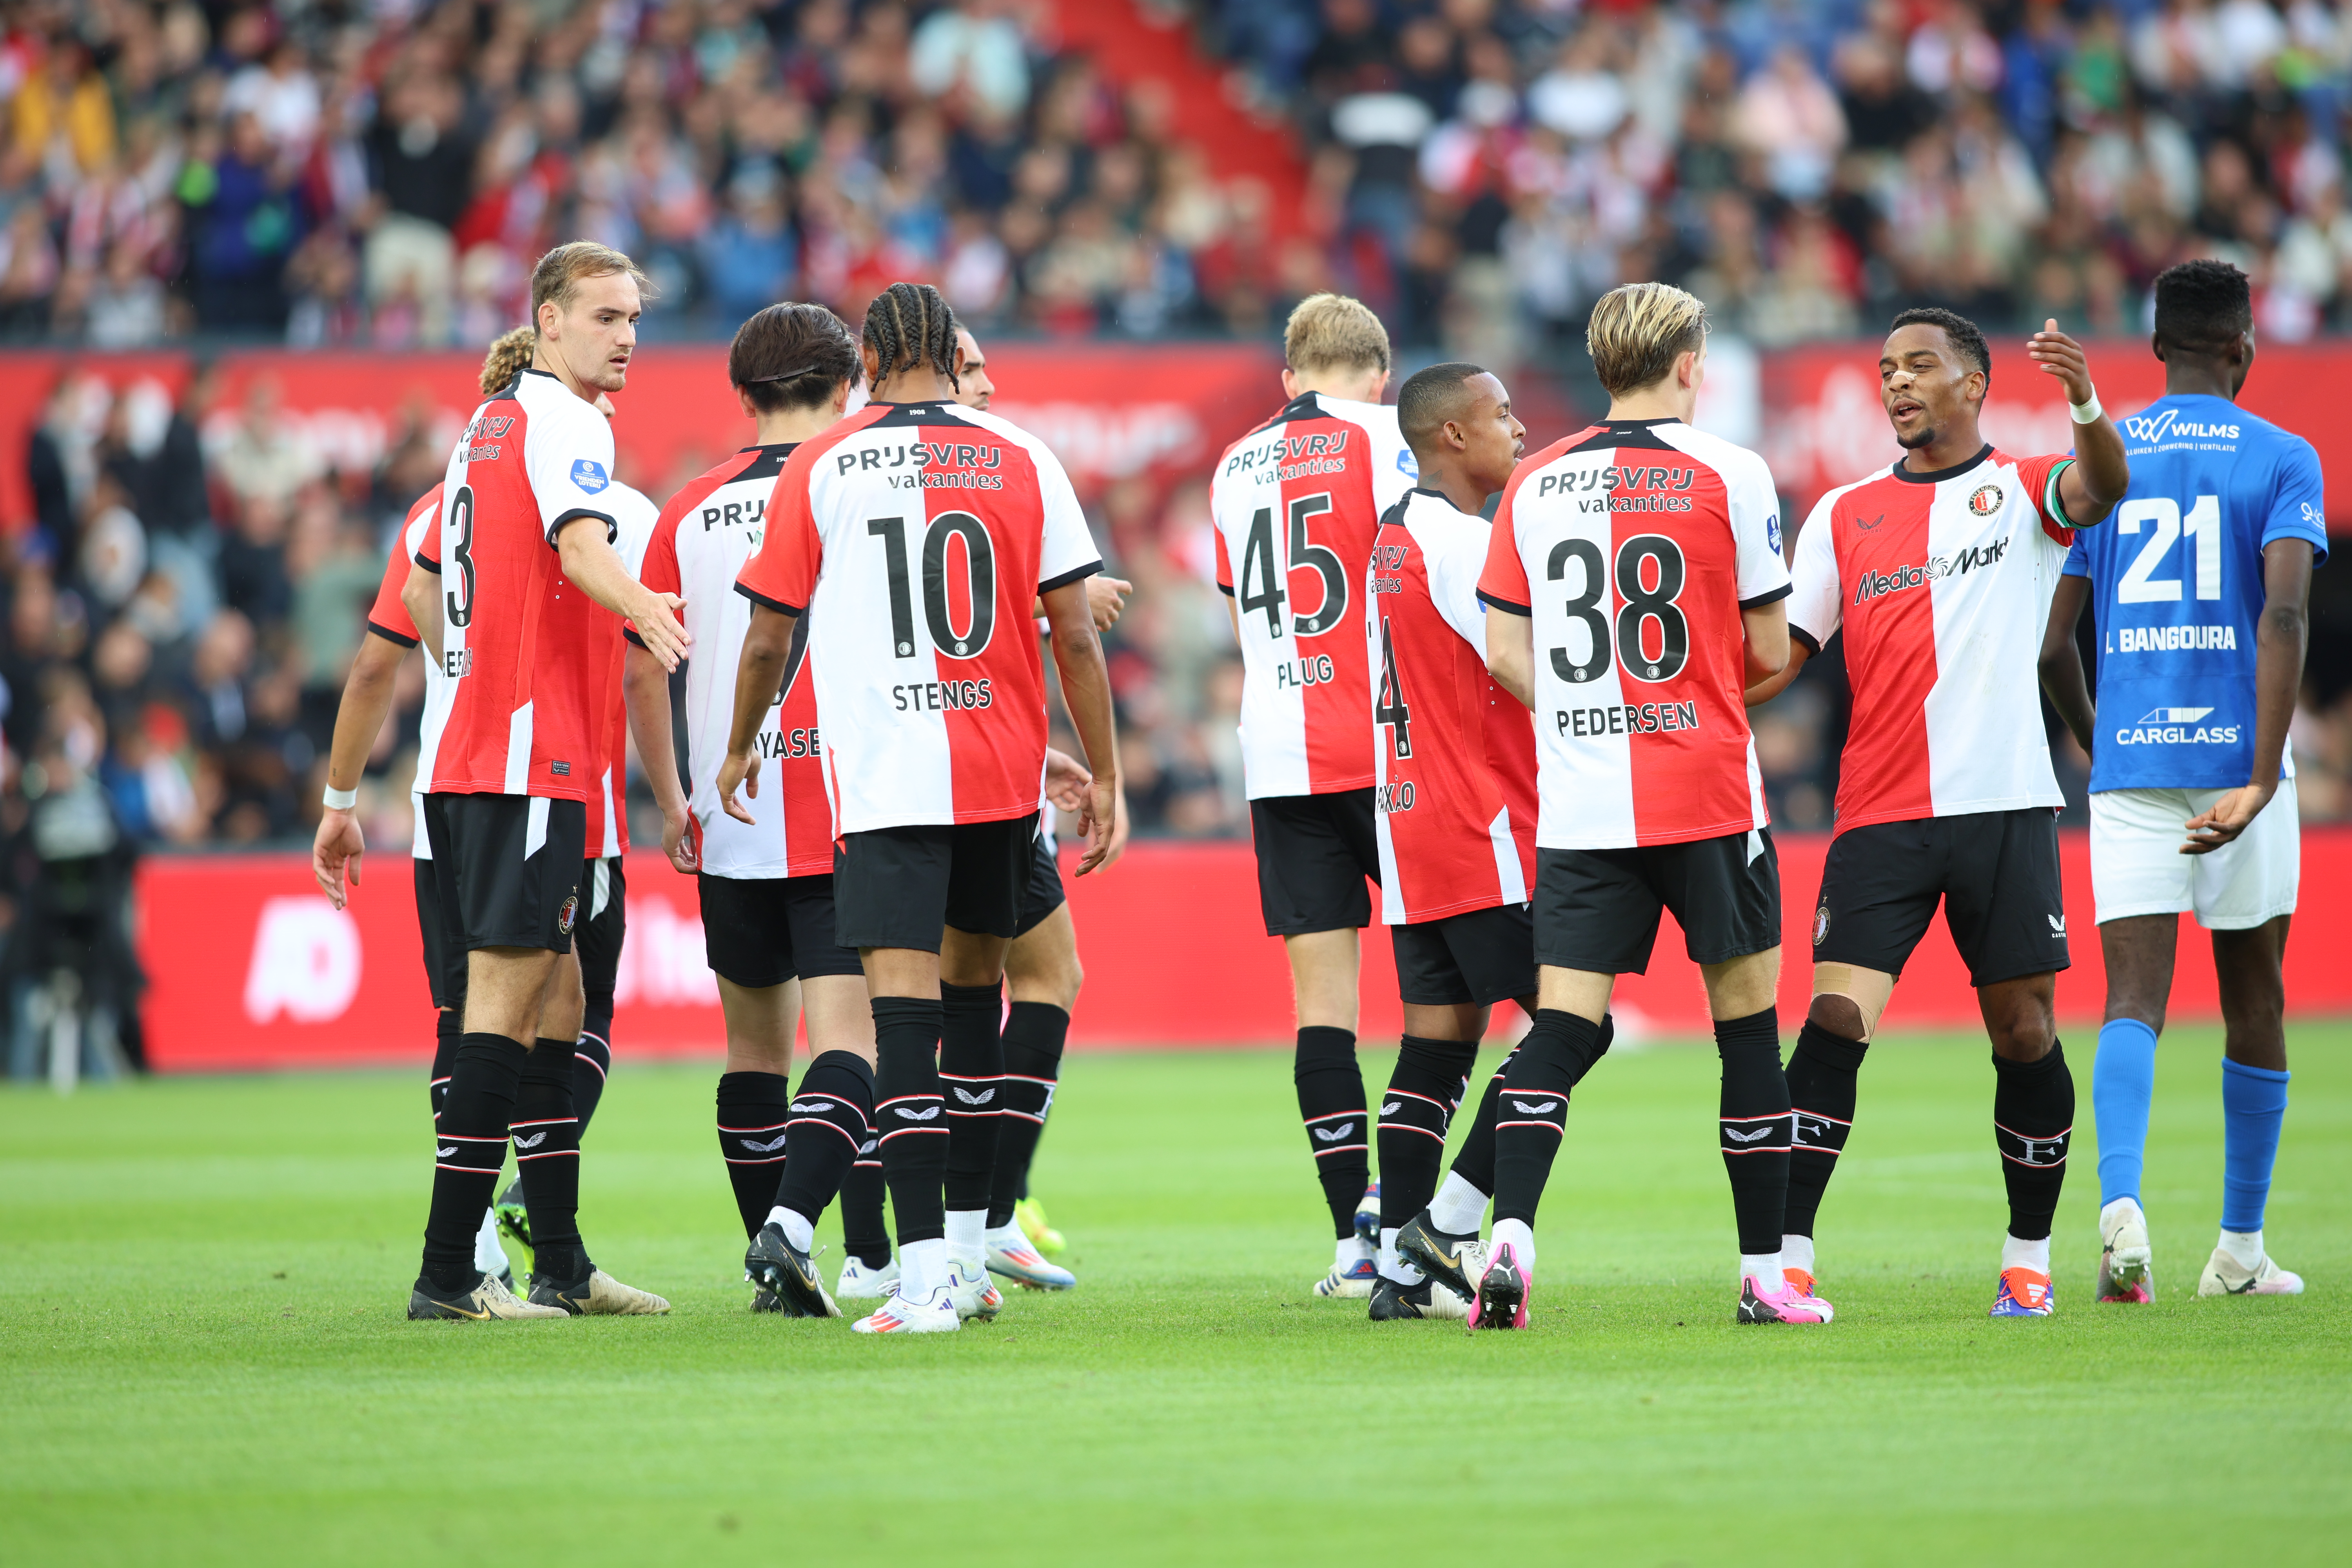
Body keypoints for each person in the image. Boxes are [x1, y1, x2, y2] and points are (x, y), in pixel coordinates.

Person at [717, 281, 1119, 1334]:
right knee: (975, 1007)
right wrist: (1109, 772)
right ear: (950, 352)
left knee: (903, 1023)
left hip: (889, 781)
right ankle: (973, 1257)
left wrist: (742, 741)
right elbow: (1077, 634)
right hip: (998, 779)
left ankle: (928, 1274)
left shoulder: (823, 462)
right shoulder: (1023, 452)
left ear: (868, 359)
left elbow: (767, 637)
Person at [1749, 308, 2129, 1319]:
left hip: (2006, 806)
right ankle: (1789, 1257)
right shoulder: (1843, 512)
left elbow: (2105, 484)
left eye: (1921, 365)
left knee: (2024, 1029)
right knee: (1834, 1021)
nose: (1898, 382)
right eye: (1887, 369)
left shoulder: (2027, 487)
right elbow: (1784, 657)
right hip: (1881, 814)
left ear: (1974, 383)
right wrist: (1686, 698)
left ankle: (2027, 1256)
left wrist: (2084, 397)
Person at [1471, 281, 1829, 1330]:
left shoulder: (1534, 481)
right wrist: (1684, 691)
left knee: (1557, 1031)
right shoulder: (1732, 471)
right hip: (1708, 793)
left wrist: (1586, 709)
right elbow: (1770, 648)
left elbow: (1504, 651)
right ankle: (1764, 1277)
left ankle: (1509, 1236)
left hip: (1584, 804)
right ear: (1689, 365)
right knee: (1748, 1035)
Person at [394, 240, 690, 1321]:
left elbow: (426, 586)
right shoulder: (568, 421)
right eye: (606, 316)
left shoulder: (487, 424)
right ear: (549, 320)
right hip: (527, 762)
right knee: (505, 1005)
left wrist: (469, 671)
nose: (626, 338)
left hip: (480, 751)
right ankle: (449, 1273)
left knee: (559, 997)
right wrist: (644, 607)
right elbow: (578, 548)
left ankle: (560, 1261)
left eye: (635, 319)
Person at [2038, 260, 2322, 1301]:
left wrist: (2101, 745)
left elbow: (2053, 648)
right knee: (2256, 1000)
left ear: (2156, 348)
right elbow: (2283, 615)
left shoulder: (2106, 463)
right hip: (2240, 766)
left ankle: (2123, 1207)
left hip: (2133, 764)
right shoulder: (2284, 456)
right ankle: (2239, 1252)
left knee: (2131, 1000)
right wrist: (2259, 779)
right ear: (2244, 349)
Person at [619, 301, 879, 1318]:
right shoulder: (855, 484)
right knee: (853, 1047)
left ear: (741, 394)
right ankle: (800, 1230)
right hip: (844, 809)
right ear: (847, 385)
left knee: (754, 1056)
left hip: (727, 819)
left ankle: (773, 1268)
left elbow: (645, 669)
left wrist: (672, 796)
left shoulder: (686, 510)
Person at [1207, 293, 1417, 1298]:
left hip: (1281, 754)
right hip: (1390, 745)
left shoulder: (1234, 465)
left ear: (1288, 376)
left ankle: (1350, 1242)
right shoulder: (1392, 438)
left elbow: (1240, 609)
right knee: (1448, 990)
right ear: (1382, 374)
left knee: (1324, 1010)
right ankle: (1417, 1208)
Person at [1356, 360, 1551, 1323]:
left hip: (1410, 822)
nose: (1520, 428)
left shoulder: (1393, 535)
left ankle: (1400, 1275)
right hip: (1483, 824)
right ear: (1454, 435)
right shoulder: (1464, 540)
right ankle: (1446, 1222)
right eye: (1502, 414)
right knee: (1573, 1023)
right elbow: (1520, 665)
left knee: (1436, 1045)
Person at [952, 323, 1131, 1289]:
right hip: (956, 780)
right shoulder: (979, 461)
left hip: (997, 766)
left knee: (1045, 975)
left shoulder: (954, 462)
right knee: (934, 1001)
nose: (990, 382)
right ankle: (949, 1225)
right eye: (971, 367)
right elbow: (923, 614)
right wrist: (1057, 603)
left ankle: (984, 1209)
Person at [493, 377, 661, 1281]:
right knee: (572, 1011)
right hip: (568, 796)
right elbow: (643, 670)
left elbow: (388, 646)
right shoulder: (621, 514)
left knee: (481, 1010)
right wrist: (673, 795)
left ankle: (509, 1243)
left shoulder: (448, 506)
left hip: (466, 788)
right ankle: (515, 1211)